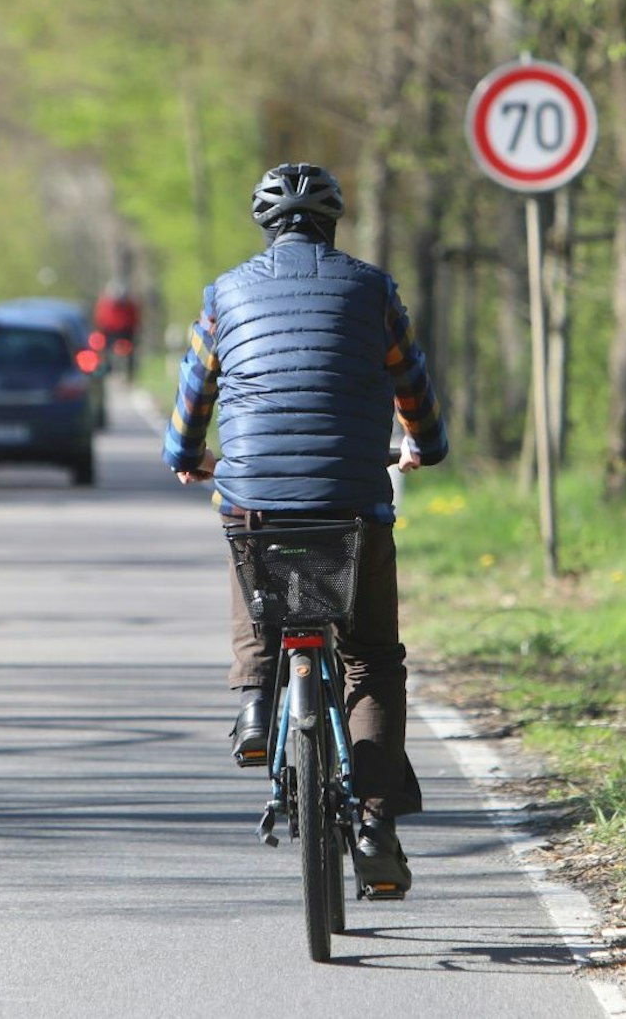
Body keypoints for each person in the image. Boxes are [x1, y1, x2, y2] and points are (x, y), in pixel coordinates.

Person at [163, 162, 448, 896]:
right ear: (333, 223)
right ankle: (377, 826)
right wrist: (423, 445)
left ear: (265, 225)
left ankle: (255, 702)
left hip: (254, 496)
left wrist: (188, 456)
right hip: (352, 498)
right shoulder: (371, 289)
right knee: (371, 660)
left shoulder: (224, 295)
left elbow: (196, 390)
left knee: (247, 543)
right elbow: (409, 383)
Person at [92, 283, 141, 378]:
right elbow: (101, 319)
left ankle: (129, 373)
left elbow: (134, 319)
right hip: (111, 332)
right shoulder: (106, 304)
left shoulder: (129, 305)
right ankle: (108, 371)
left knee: (129, 352)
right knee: (106, 351)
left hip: (125, 332)